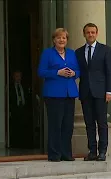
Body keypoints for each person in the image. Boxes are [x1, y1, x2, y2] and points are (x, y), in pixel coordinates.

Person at [38, 28, 80, 162]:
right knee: (55, 124)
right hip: (53, 94)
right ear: (54, 40)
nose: (61, 40)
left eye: (64, 38)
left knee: (68, 125)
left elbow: (79, 70)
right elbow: (41, 71)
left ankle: (66, 153)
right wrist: (57, 72)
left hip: (69, 93)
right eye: (59, 38)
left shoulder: (72, 53)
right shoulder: (48, 53)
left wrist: (74, 74)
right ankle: (54, 154)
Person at [75, 23, 111, 161]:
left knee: (102, 123)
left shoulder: (105, 50)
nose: (90, 35)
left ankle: (102, 151)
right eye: (88, 32)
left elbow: (109, 72)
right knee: (89, 123)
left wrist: (109, 91)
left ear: (97, 34)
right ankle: (92, 150)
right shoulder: (78, 52)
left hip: (101, 92)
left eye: (93, 32)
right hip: (86, 92)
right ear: (84, 34)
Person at [9, 70, 33, 148]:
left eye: (19, 76)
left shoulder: (25, 86)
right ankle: (15, 144)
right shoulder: (10, 87)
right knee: (15, 127)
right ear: (13, 77)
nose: (18, 78)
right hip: (15, 110)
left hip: (24, 109)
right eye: (16, 76)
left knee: (24, 127)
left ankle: (25, 144)